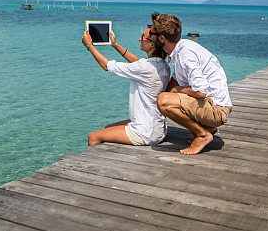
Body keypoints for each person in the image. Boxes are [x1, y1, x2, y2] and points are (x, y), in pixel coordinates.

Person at [152, 13, 232, 155]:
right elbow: (174, 82)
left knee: (163, 101)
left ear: (162, 38)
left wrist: (179, 90)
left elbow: (200, 92)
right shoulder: (180, 50)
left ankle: (202, 135)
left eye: (152, 33)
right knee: (165, 96)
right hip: (213, 104)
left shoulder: (185, 55)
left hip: (217, 110)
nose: (149, 36)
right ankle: (208, 128)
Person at [81, 22, 170, 147]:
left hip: (144, 133)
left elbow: (106, 66)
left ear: (151, 44)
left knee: (94, 137)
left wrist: (89, 45)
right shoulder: (162, 65)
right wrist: (115, 45)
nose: (140, 39)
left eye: (143, 37)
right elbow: (137, 62)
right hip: (158, 129)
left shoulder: (144, 68)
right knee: (107, 128)